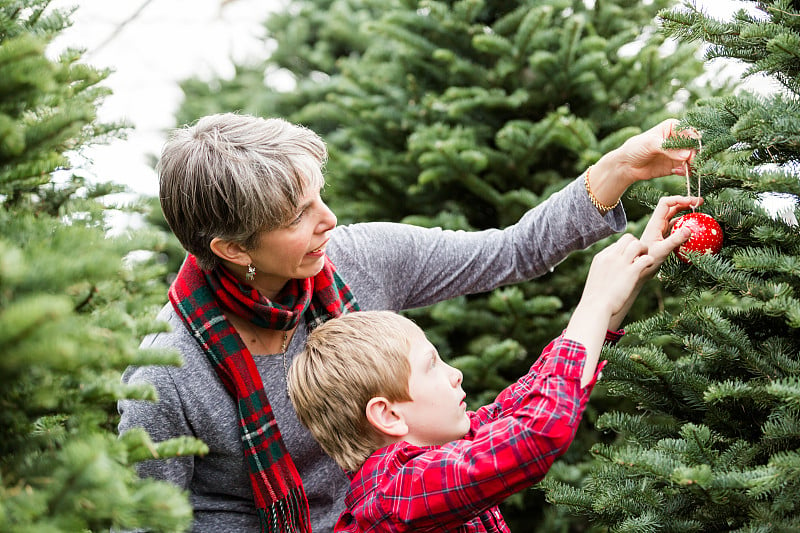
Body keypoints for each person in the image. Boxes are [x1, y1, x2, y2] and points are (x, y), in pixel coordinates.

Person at [117, 111, 698, 533]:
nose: (331, 219)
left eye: (321, 195)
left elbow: (511, 252)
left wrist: (619, 168)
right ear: (234, 248)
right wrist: (592, 311)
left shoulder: (358, 258)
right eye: (300, 215)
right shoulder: (167, 372)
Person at [287, 195, 699, 532]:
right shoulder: (398, 496)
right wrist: (594, 301)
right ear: (388, 414)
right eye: (432, 366)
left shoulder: (438, 450)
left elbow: (529, 396)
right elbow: (537, 432)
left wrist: (630, 275)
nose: (455, 374)